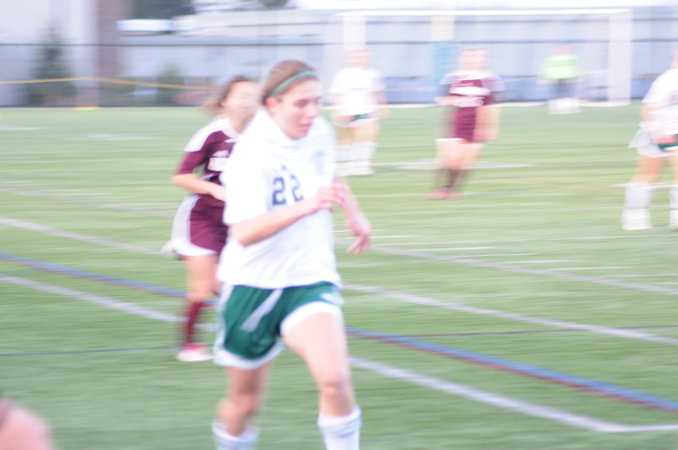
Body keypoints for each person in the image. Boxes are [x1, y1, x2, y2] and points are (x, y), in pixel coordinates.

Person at [211, 60, 370, 450]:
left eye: (318, 102)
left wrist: (353, 212)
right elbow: (244, 231)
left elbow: (328, 173)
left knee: (334, 379)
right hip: (252, 285)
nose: (312, 112)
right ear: (273, 104)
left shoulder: (320, 133)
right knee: (244, 404)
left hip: (308, 278)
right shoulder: (251, 154)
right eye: (301, 104)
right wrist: (305, 206)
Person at [169, 75, 259, 362]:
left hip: (237, 222)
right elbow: (180, 176)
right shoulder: (212, 134)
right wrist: (214, 189)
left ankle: (242, 337)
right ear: (226, 101)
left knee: (228, 285)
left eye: (252, 96)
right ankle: (189, 345)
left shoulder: (265, 136)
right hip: (202, 217)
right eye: (240, 96)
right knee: (203, 287)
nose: (246, 102)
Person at [428, 47, 503, 199]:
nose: (475, 60)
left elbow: (493, 105)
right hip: (455, 123)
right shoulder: (452, 77)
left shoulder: (490, 79)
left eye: (480, 57)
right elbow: (440, 98)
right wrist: (451, 100)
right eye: (470, 57)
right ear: (462, 59)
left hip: (477, 125)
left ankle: (451, 189)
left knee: (466, 162)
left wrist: (491, 127)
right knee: (451, 158)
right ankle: (438, 189)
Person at [622, 50, 678, 231]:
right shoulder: (668, 80)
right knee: (648, 175)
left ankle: (674, 218)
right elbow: (647, 109)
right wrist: (657, 132)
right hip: (659, 132)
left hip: (673, 133)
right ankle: (633, 218)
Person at [328, 49, 388, 176]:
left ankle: (362, 165)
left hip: (366, 111)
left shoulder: (372, 74)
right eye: (357, 57)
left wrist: (383, 108)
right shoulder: (342, 75)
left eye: (364, 57)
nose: (361, 59)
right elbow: (335, 95)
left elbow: (377, 93)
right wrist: (336, 111)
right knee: (344, 140)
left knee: (367, 138)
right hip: (347, 111)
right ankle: (343, 166)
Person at [539, 45, 581, 114]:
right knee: (561, 93)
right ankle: (560, 108)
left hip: (560, 76)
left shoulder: (552, 58)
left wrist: (542, 76)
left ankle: (563, 108)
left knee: (563, 93)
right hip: (559, 76)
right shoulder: (570, 57)